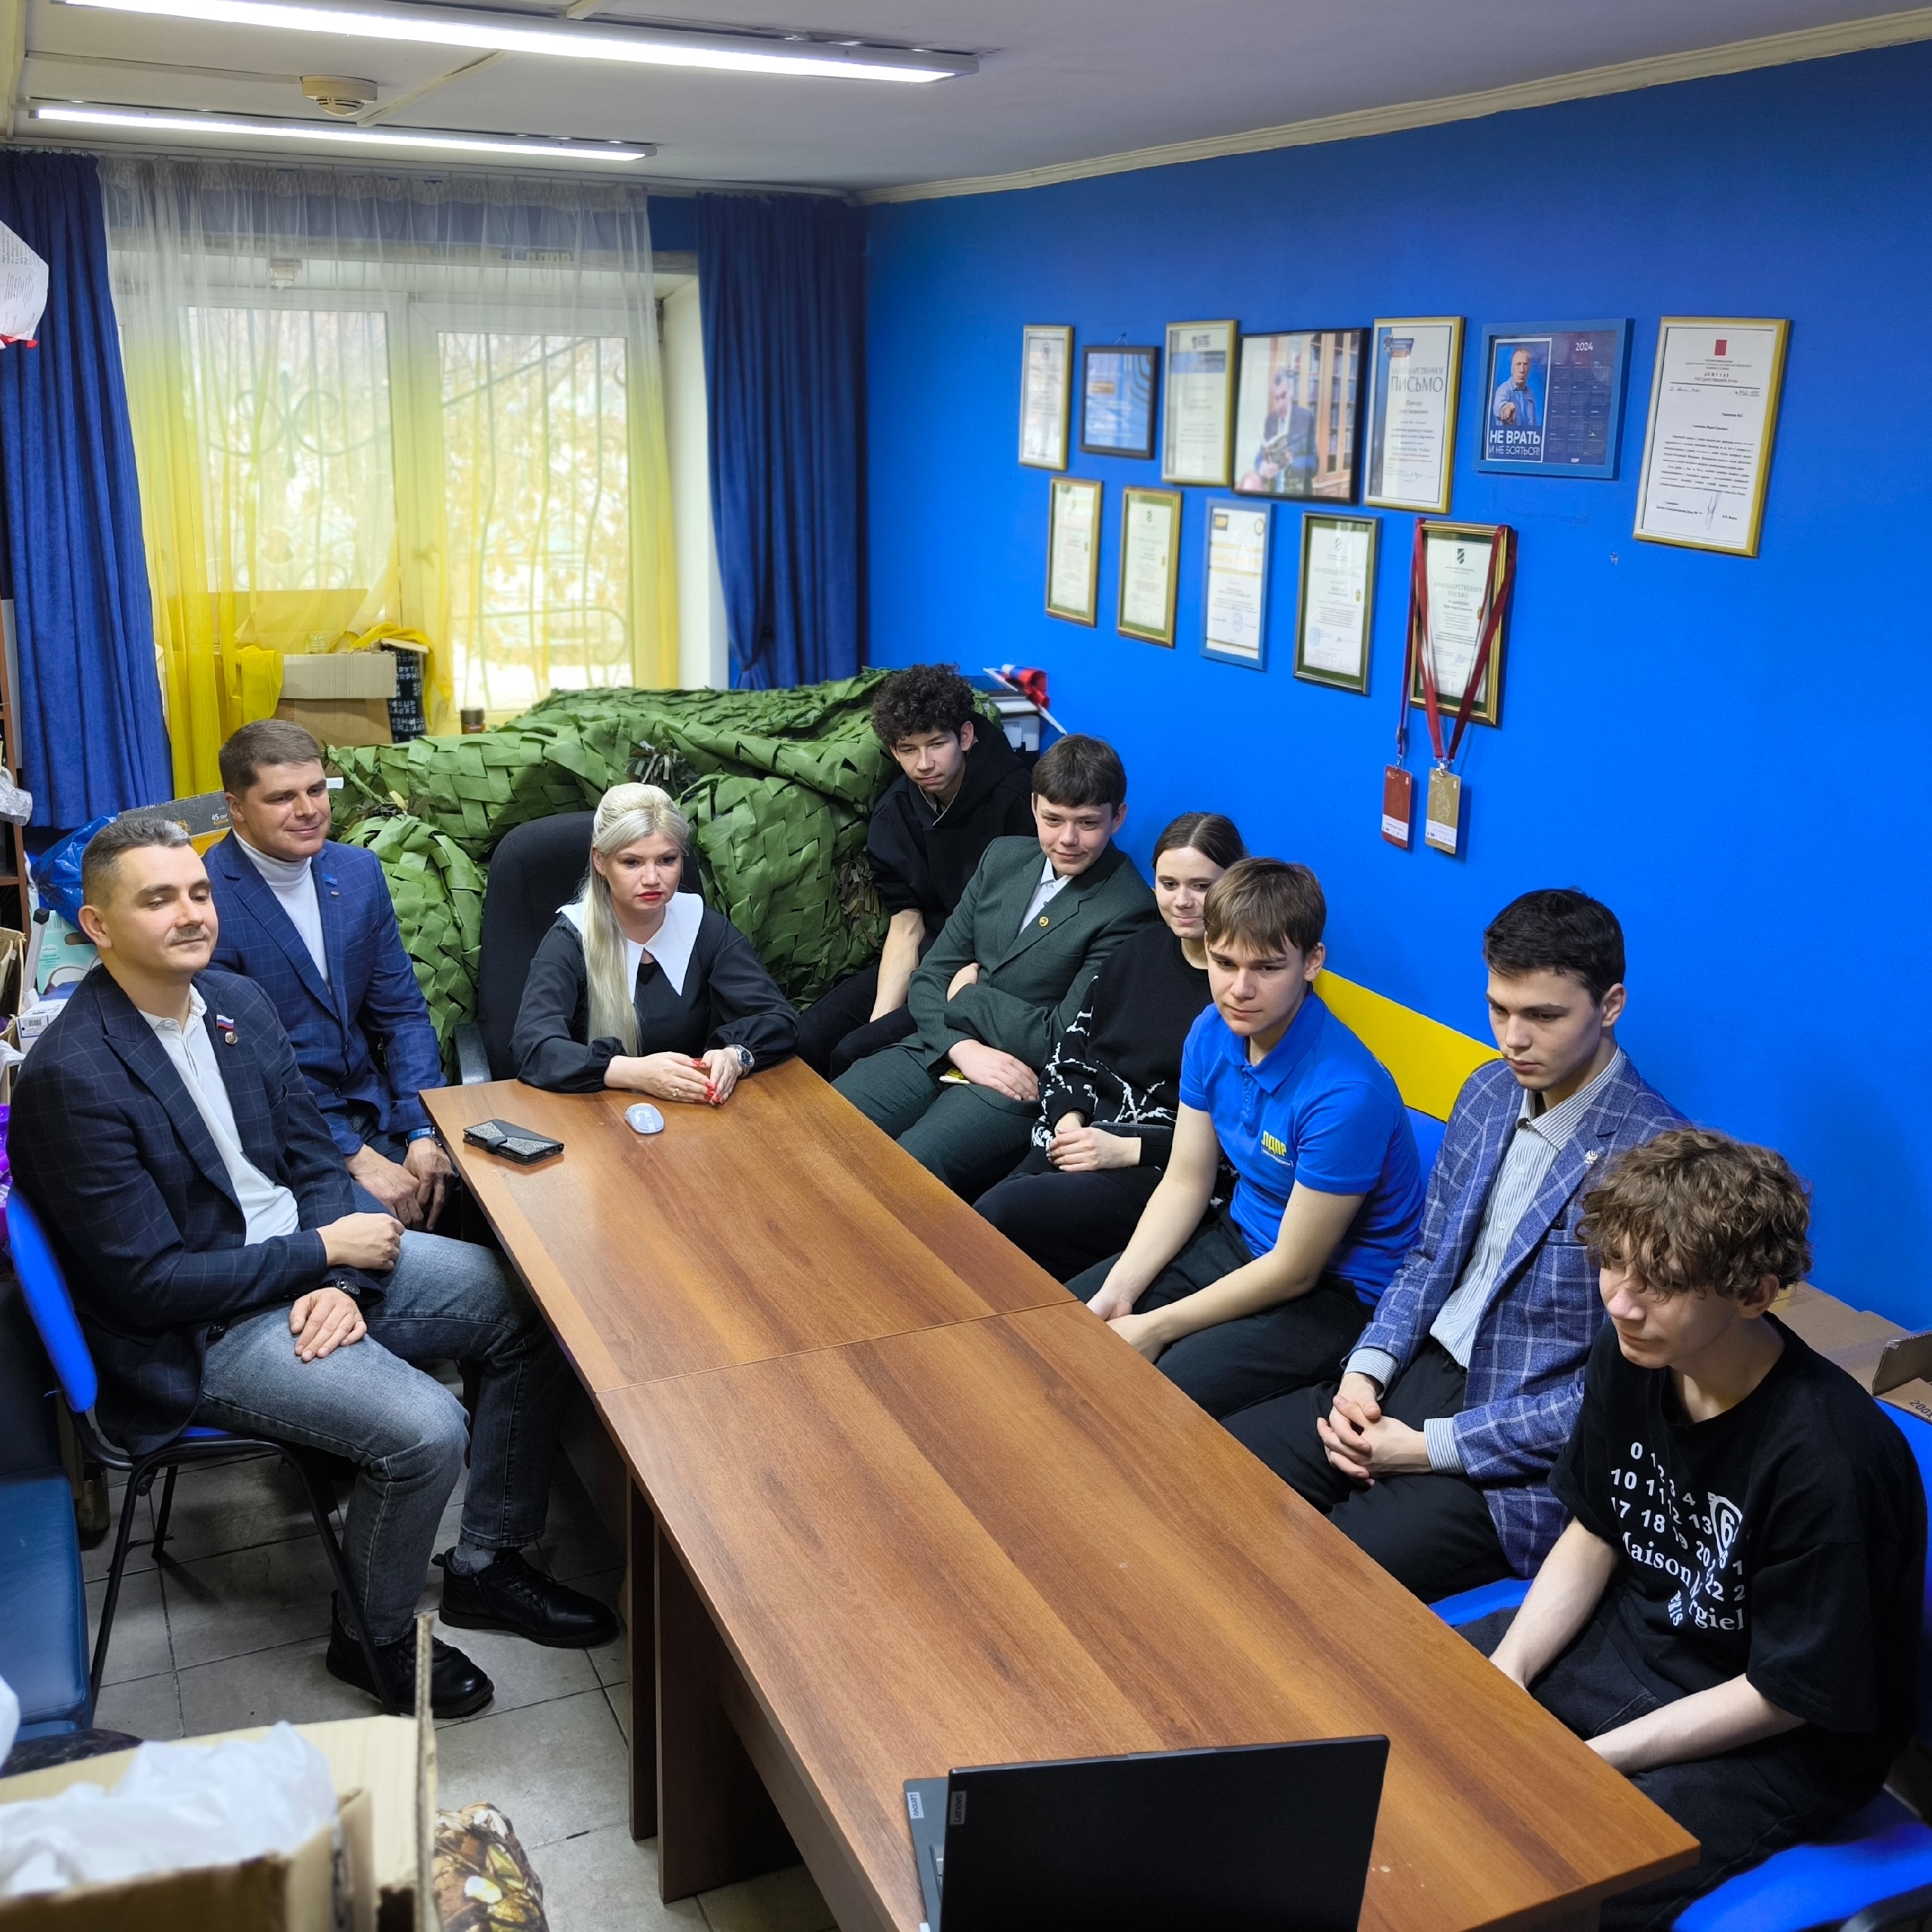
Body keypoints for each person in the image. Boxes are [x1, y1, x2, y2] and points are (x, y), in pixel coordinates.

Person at [9, 815, 618, 1721]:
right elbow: (151, 1283)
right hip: (200, 1329)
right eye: (159, 898)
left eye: (199, 891)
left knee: (527, 1305)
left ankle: (487, 1560)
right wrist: (324, 1255)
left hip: (305, 1263)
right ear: (97, 925)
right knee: (426, 1429)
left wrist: (339, 1281)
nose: (192, 913)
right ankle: (371, 1636)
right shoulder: (73, 1076)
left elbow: (313, 1161)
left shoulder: (234, 1003)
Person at [1475, 1128, 1925, 1931]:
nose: (1620, 1302)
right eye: (1614, 1263)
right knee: (1422, 1711)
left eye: (1663, 1283)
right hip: (1639, 1642)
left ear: (1754, 1294)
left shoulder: (1830, 1460)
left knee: (1554, 1876)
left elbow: (1785, 1694)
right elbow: (1597, 1528)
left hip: (1780, 1731)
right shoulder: (1632, 1353)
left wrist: (1591, 1761)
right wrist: (1504, 1675)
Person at [1226, 889, 1684, 1601]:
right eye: (1499, 1009)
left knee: (1307, 1578)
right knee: (1217, 1474)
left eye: (1544, 1017)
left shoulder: (1657, 1157)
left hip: (1514, 1454)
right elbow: (1428, 1258)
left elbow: (1616, 1395)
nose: (1513, 1039)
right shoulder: (1489, 1091)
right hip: (1416, 1373)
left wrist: (1431, 1447)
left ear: (1611, 1006)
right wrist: (1365, 1374)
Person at [1072, 860, 1423, 1417]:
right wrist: (1120, 1292)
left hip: (1336, 1291)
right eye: (1224, 962)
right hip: (1240, 1237)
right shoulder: (1211, 1031)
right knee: (1069, 1324)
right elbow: (1186, 1182)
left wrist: (1156, 1325)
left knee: (1147, 1397)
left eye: (1267, 968)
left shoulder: (1346, 1094)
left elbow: (1295, 1269)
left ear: (1312, 962)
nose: (1239, 989)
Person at [832, 734, 1154, 1198]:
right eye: (1053, 819)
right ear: (1034, 807)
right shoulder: (1003, 857)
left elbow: (1058, 1036)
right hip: (942, 1046)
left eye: (1087, 823)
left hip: (1017, 1082)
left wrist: (967, 995)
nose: (1068, 839)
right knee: (828, 1118)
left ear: (1117, 818)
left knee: (903, 1175)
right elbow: (930, 978)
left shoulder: (1129, 908)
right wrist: (962, 1048)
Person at [975, 812, 1243, 1281]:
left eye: (1201, 886)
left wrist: (1127, 1148)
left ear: (1233, 885)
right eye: (1168, 884)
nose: (1182, 901)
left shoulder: (1244, 991)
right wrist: (1070, 1122)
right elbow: (1071, 1052)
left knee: (1000, 1215)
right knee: (981, 1220)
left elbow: (1236, 1134)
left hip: (1162, 1167)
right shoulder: (1135, 952)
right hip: (1080, 1135)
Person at [208, 720, 453, 1227]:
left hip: (373, 1108)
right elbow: (240, 1068)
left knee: (491, 1203)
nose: (309, 810)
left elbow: (402, 1014)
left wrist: (421, 1130)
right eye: (283, 797)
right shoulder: (206, 897)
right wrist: (353, 1156)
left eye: (316, 790)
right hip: (285, 1139)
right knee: (392, 1241)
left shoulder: (358, 872)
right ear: (236, 807)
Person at [796, 665, 1034, 1079]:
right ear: (893, 751)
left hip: (987, 963)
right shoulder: (896, 813)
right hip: (928, 952)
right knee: (807, 1039)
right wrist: (879, 1020)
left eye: (937, 744)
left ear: (965, 736)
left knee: (853, 1053)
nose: (924, 763)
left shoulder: (1015, 798)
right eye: (908, 749)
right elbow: (907, 925)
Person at [512, 781, 797, 1098]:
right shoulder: (571, 939)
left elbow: (778, 1018)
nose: (651, 879)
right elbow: (533, 1049)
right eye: (632, 862)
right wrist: (633, 1072)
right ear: (600, 860)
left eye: (667, 860)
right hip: (593, 1111)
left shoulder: (701, 926)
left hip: (693, 1107)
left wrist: (735, 1055)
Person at [1238, 361, 1315, 494]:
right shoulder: (1270, 421)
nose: (1280, 404)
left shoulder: (1306, 418)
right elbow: (1260, 456)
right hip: (1273, 495)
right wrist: (1263, 467)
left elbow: (1314, 465)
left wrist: (1292, 460)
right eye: (1276, 398)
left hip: (1298, 496)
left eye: (1283, 396)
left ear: (1291, 391)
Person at [1492, 345, 1541, 438]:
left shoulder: (1530, 394)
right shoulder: (1504, 389)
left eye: (1525, 365)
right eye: (1518, 364)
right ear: (1512, 369)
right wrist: (1505, 409)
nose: (1522, 370)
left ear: (1529, 369)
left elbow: (1533, 427)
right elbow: (1499, 405)